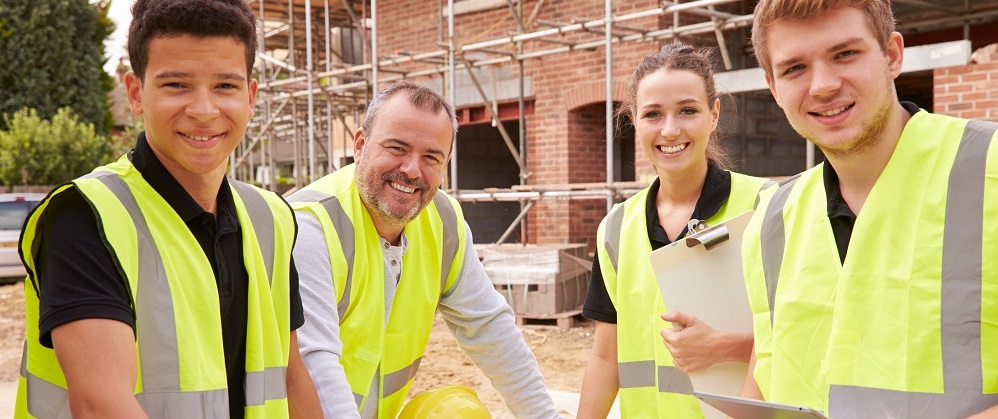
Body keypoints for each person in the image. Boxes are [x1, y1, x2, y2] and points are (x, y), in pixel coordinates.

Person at [14, 0, 321, 417]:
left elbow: (291, 377)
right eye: (176, 85)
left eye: (225, 86)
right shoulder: (84, 216)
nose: (203, 110)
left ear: (251, 98)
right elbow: (101, 405)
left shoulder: (270, 218)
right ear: (136, 93)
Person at [741, 0, 998, 418]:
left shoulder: (991, 167)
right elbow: (765, 376)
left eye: (845, 54)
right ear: (774, 88)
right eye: (794, 68)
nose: (822, 85)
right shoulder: (771, 219)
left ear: (892, 55)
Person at [288, 81, 560, 419]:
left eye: (431, 157)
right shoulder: (309, 225)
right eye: (397, 148)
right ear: (360, 146)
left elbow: (491, 329)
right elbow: (316, 365)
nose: (412, 169)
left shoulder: (441, 221)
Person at [577, 41, 771, 418]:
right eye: (653, 114)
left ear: (714, 115)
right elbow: (605, 357)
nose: (670, 129)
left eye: (687, 110)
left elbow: (803, 341)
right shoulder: (617, 228)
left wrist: (726, 346)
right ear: (634, 119)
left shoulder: (767, 207)